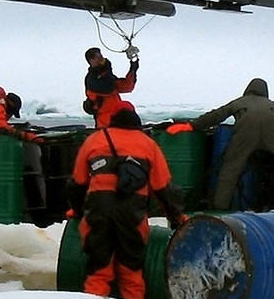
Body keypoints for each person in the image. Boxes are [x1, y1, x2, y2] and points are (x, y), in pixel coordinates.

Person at [68, 101, 186, 299]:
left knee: (99, 270)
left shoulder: (94, 140)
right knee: (130, 270)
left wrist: (77, 212)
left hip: (99, 209)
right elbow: (164, 189)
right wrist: (176, 219)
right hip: (132, 212)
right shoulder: (148, 144)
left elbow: (77, 184)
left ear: (113, 119)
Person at [166, 78, 274, 210]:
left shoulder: (239, 102)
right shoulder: (271, 104)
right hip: (273, 131)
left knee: (230, 169)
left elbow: (217, 115)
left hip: (245, 133)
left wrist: (191, 126)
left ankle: (220, 207)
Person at [84, 46, 139, 128]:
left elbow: (127, 87)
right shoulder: (91, 79)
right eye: (98, 57)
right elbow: (109, 88)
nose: (102, 59)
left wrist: (133, 66)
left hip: (118, 118)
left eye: (101, 56)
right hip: (105, 123)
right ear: (91, 61)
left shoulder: (106, 75)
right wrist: (107, 69)